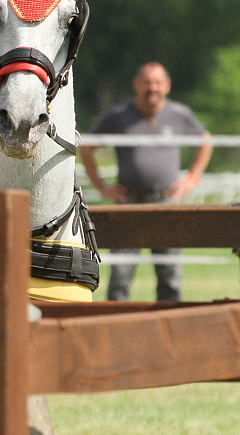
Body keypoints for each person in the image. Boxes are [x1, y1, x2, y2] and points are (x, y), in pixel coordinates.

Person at [79, 61, 213, 301]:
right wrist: (102, 187)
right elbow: (87, 147)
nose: (153, 88)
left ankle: (170, 330)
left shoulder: (179, 114)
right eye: (147, 82)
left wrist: (191, 179)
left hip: (167, 204)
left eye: (158, 82)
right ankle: (117, 330)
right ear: (136, 84)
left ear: (168, 86)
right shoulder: (118, 117)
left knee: (170, 277)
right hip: (129, 204)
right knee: (120, 278)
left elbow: (206, 141)